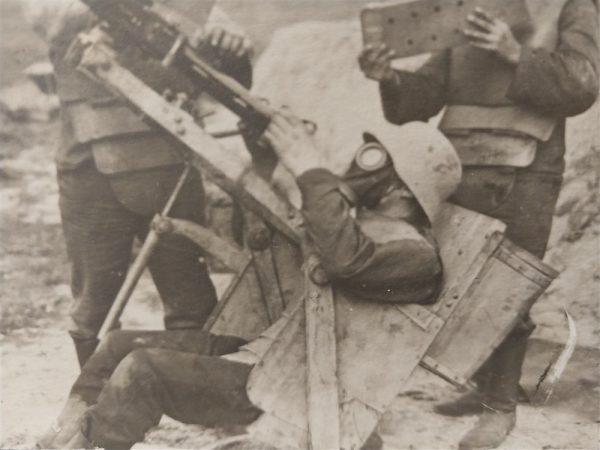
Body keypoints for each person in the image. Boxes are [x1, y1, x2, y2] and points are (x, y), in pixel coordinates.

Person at [36, 109, 462, 449]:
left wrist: (312, 171)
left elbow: (344, 262)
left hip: (291, 386)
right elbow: (289, 237)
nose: (360, 163)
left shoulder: (417, 257)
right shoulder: (364, 230)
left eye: (376, 159)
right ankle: (66, 434)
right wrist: (263, 155)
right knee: (119, 345)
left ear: (404, 191)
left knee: (142, 371)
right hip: (275, 358)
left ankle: (88, 446)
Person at [358, 1, 599, 448]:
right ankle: (480, 388)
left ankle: (499, 409)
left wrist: (515, 54)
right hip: (459, 163)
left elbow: (582, 85)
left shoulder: (570, 4)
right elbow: (428, 91)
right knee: (452, 280)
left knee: (508, 288)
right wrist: (389, 77)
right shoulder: (470, 6)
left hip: (526, 168)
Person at [28, 0, 254, 368]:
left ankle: (194, 391)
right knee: (95, 297)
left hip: (170, 158)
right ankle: (97, 402)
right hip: (91, 164)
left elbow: (230, 73)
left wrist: (222, 33)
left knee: (190, 297)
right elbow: (48, 15)